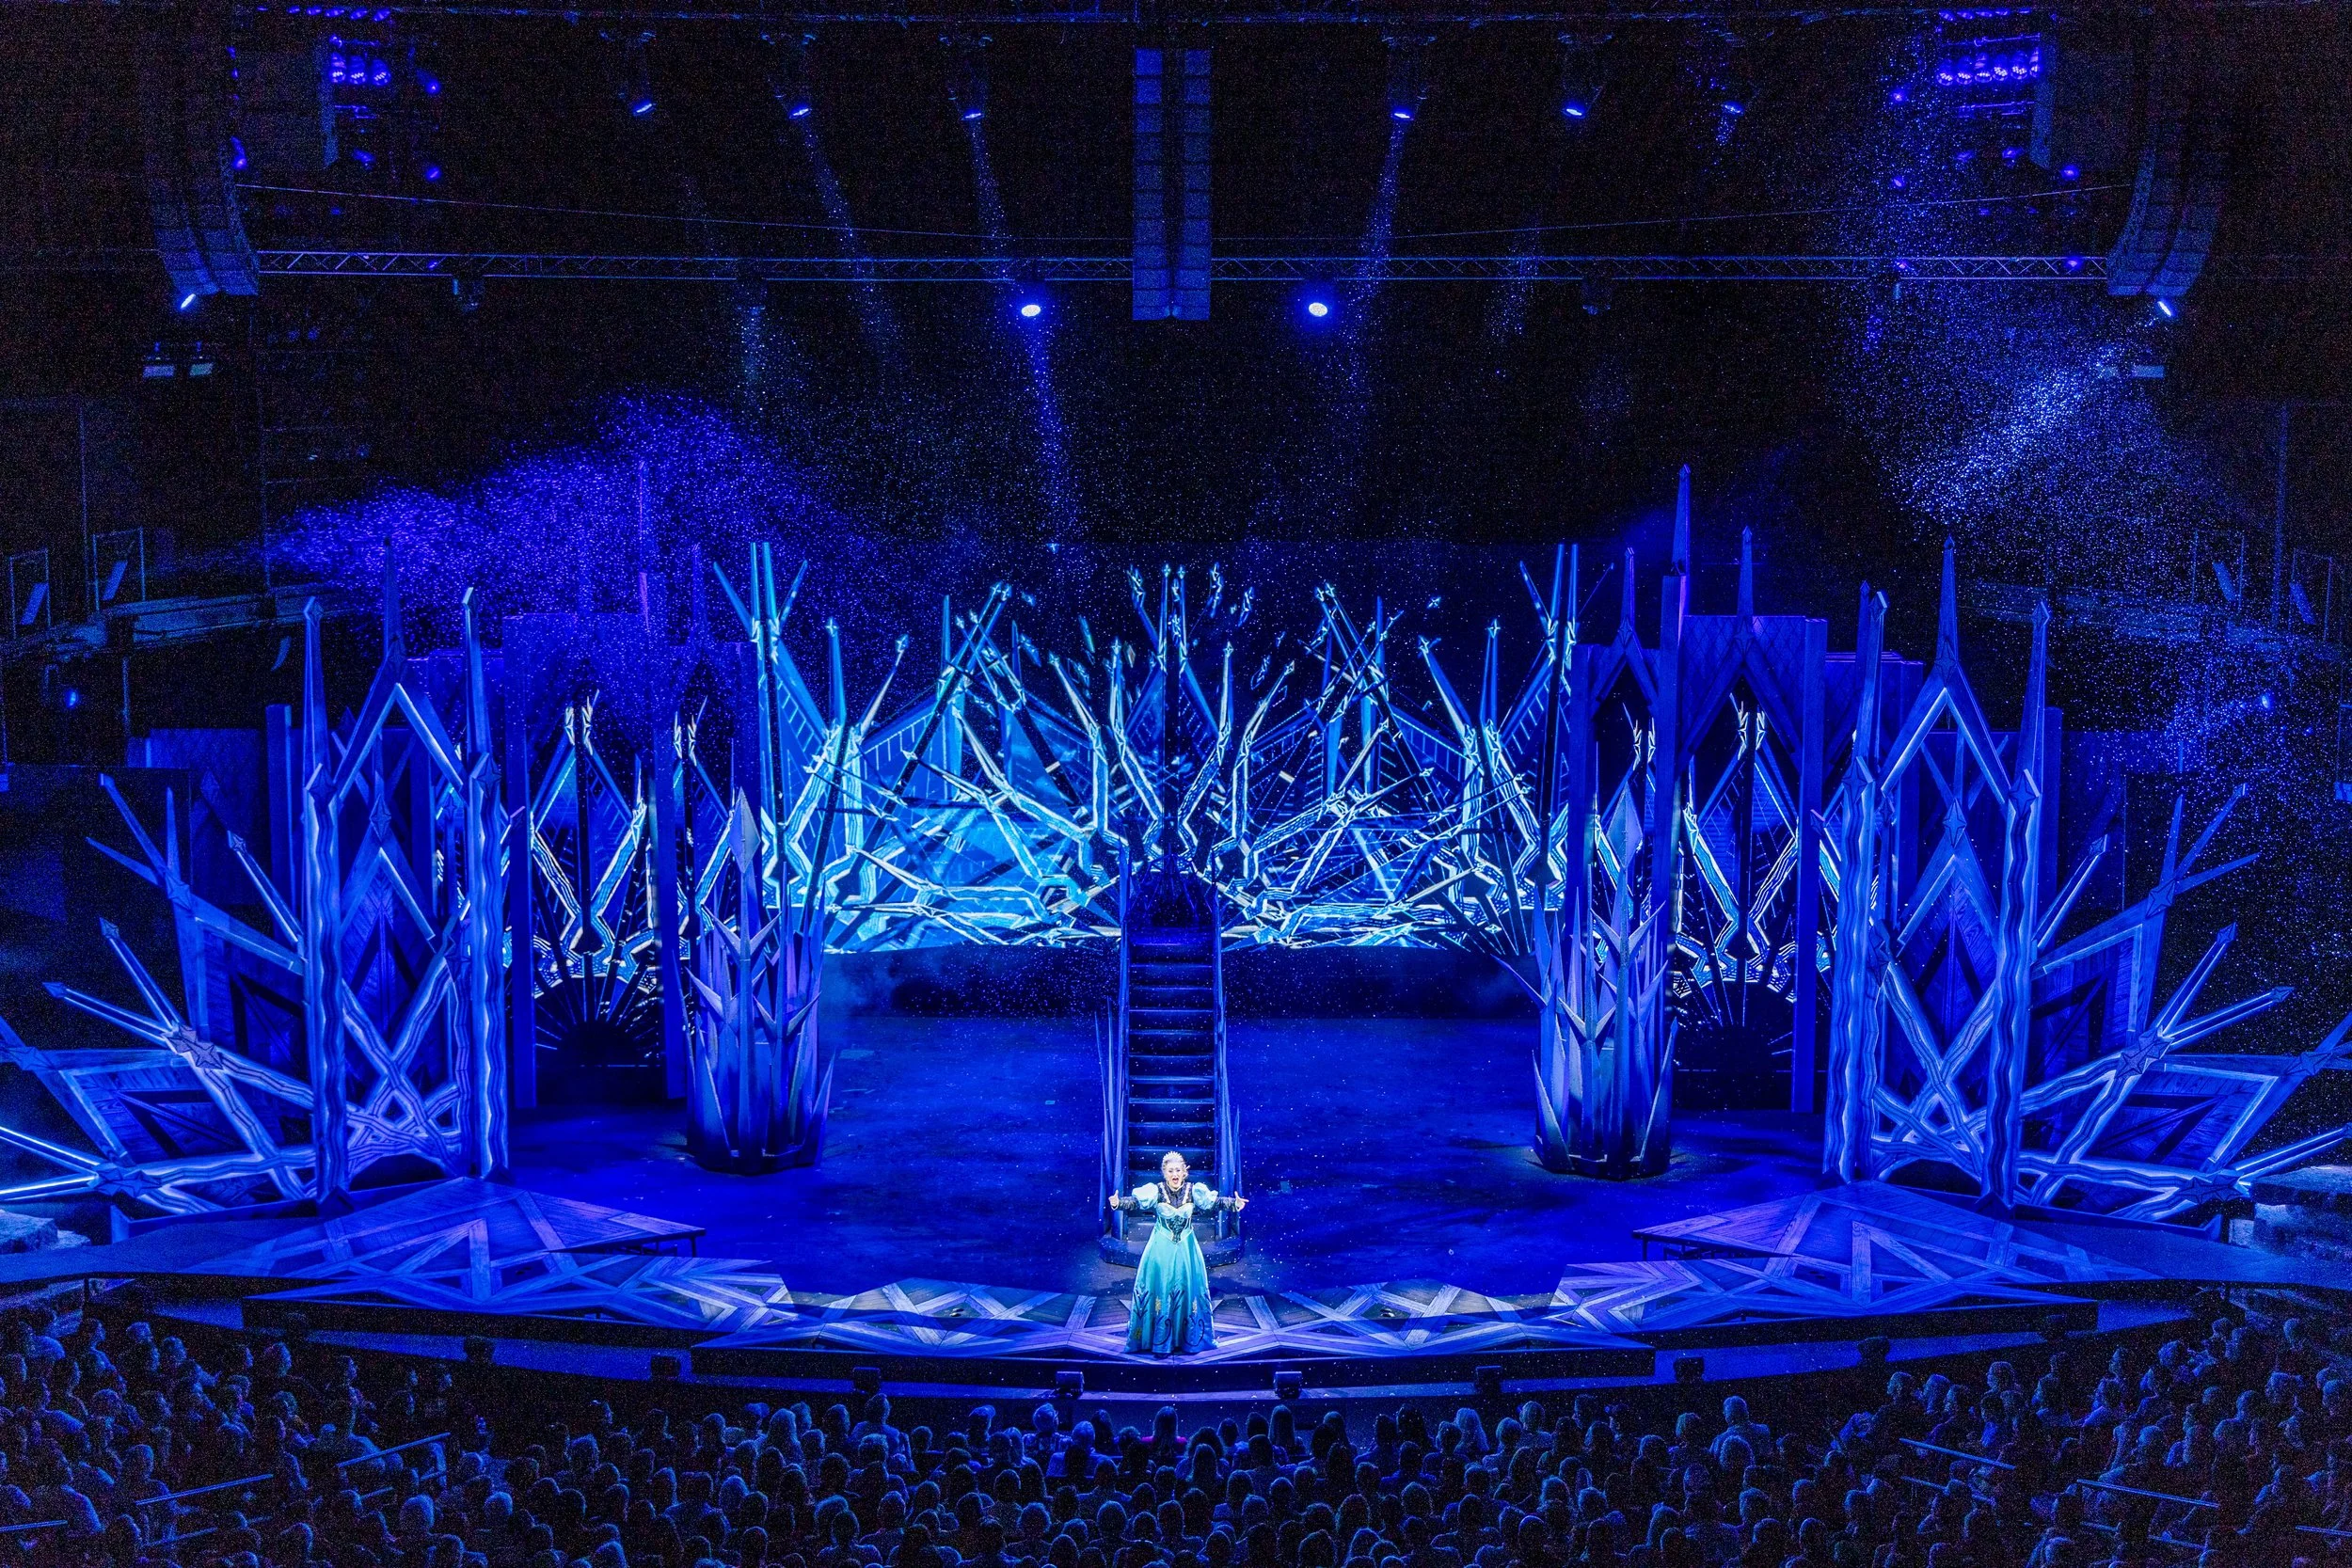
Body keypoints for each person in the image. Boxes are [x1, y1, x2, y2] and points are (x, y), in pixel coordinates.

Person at [1108, 1151, 1248, 1355]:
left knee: (1187, 1287)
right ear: (1164, 1173)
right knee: (1162, 1286)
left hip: (1186, 1250)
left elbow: (1214, 1202)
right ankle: (1160, 1340)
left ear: (1184, 1172)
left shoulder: (1193, 1190)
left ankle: (1187, 1338)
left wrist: (1234, 1204)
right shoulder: (1155, 1191)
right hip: (1160, 1249)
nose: (1174, 1174)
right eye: (1170, 1171)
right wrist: (1118, 1203)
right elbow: (1135, 1202)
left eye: (1178, 1170)